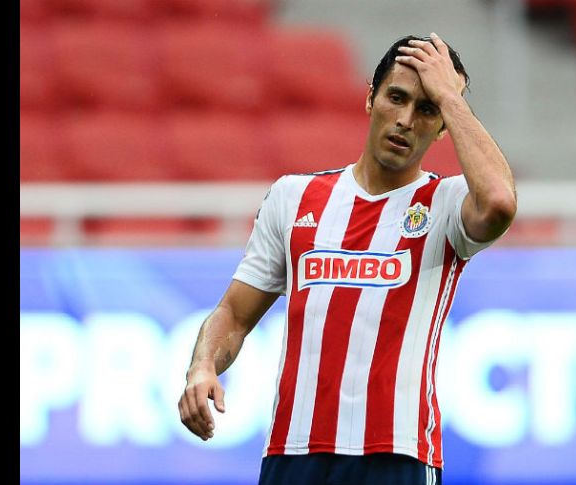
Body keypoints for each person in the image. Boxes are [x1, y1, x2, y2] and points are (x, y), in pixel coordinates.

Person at [179, 32, 517, 485]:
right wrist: (202, 365)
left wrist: (451, 99)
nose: (405, 120)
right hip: (293, 453)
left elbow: (499, 203)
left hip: (396, 455)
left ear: (442, 127)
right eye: (396, 98)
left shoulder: (446, 203)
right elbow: (234, 315)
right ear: (370, 98)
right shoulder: (293, 197)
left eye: (426, 109)